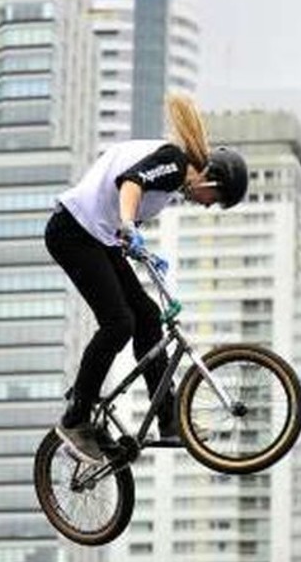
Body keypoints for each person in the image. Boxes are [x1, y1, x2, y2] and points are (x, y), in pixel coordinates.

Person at [44, 94, 249, 464]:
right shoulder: (174, 162)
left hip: (97, 237)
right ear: (212, 181)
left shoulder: (170, 186)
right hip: (72, 232)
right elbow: (130, 184)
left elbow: (124, 213)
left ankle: (169, 418)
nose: (206, 206)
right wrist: (127, 225)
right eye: (213, 200)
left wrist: (137, 246)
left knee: (148, 315)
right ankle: (76, 417)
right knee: (119, 322)